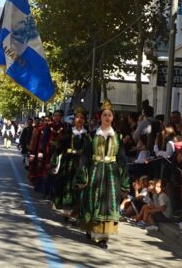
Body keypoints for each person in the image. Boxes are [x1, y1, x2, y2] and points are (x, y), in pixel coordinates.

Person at [76, 99, 128, 249]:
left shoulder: (118, 137)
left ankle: (104, 237)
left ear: (113, 118)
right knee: (94, 201)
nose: (107, 117)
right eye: (104, 114)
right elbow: (85, 157)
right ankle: (92, 230)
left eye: (109, 115)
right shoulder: (91, 136)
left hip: (112, 174)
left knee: (108, 203)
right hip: (95, 172)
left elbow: (122, 160)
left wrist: (124, 182)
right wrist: (83, 176)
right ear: (100, 117)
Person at [53, 107, 90, 222]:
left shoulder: (87, 134)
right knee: (68, 186)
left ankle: (76, 213)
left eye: (82, 118)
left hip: (81, 164)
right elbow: (59, 147)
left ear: (85, 120)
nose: (79, 120)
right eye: (77, 117)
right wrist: (54, 163)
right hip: (68, 163)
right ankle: (67, 210)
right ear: (74, 119)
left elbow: (90, 150)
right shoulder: (68, 132)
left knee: (80, 187)